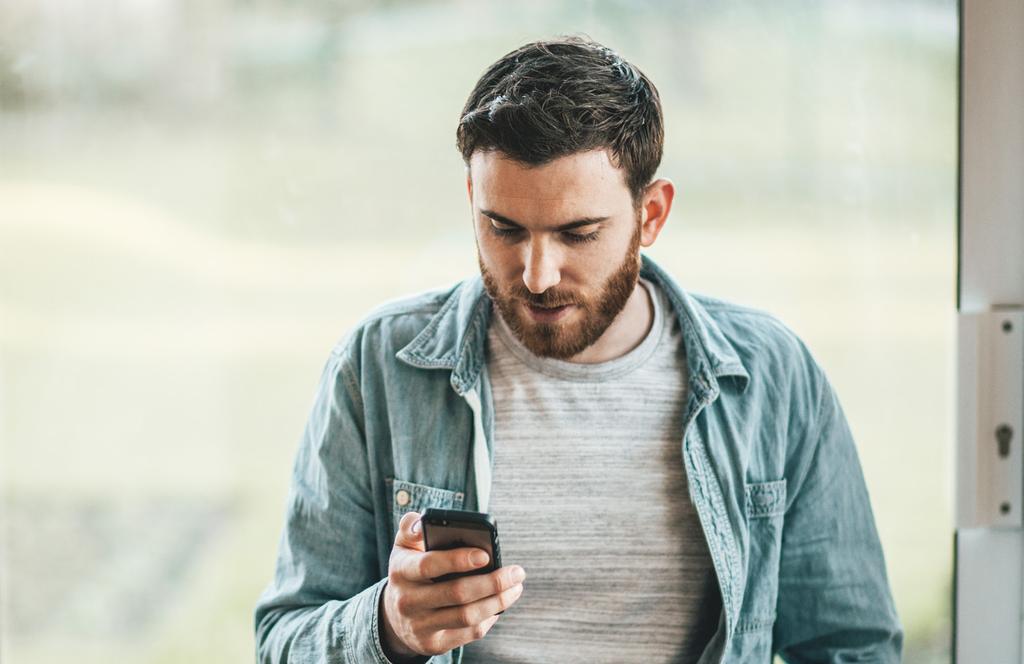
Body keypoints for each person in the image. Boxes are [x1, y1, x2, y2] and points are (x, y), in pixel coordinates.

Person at [254, 36, 903, 664]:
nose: (536, 274)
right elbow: (283, 640)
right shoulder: (376, 368)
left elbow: (851, 646)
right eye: (503, 228)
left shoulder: (773, 377)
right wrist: (390, 628)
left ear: (652, 214)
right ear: (471, 201)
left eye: (578, 233)